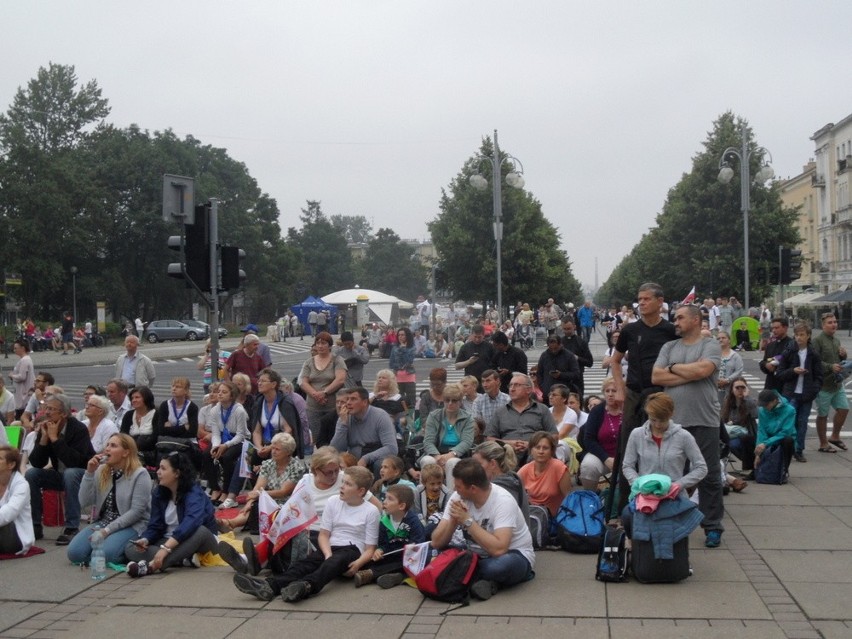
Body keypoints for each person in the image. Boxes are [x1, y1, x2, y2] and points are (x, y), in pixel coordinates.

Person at [232, 466, 379, 602]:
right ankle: (270, 586)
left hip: (352, 549)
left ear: (360, 491)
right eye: (343, 482)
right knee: (306, 564)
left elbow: (370, 548)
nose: (342, 486)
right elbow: (324, 535)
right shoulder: (333, 502)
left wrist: (358, 564)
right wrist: (327, 555)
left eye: (348, 484)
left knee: (335, 562)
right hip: (330, 545)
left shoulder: (371, 511)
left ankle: (306, 586)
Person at [652, 303, 724, 548]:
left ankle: (712, 526)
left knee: (710, 475)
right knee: (671, 475)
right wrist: (688, 373)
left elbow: (704, 370)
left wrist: (673, 369)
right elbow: (656, 376)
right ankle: (671, 521)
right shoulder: (669, 346)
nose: (676, 321)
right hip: (673, 423)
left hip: (704, 419)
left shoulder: (709, 344)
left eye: (680, 317)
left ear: (695, 320)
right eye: (675, 318)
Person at [430, 458, 535, 601]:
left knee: (499, 567)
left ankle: (460, 574)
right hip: (475, 554)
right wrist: (454, 522)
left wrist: (467, 521)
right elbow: (436, 541)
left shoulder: (502, 501)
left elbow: (499, 549)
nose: (454, 489)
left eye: (458, 486)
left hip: (512, 555)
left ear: (473, 488)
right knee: (433, 552)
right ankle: (481, 581)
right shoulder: (458, 496)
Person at [620, 392, 708, 533]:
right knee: (626, 516)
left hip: (674, 496)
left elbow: (701, 468)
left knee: (672, 523)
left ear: (671, 414)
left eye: (662, 420)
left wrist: (679, 485)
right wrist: (637, 483)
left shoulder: (684, 436)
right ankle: (633, 546)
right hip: (645, 494)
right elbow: (627, 465)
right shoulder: (637, 434)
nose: (658, 424)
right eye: (653, 420)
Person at [124, 451, 219, 577]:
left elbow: (192, 522)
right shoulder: (159, 493)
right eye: (159, 468)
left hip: (198, 539)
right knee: (130, 548)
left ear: (177, 473)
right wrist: (146, 539)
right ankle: (181, 558)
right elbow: (155, 526)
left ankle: (152, 566)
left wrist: (166, 549)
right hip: (169, 541)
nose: (158, 472)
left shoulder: (194, 492)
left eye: (163, 468)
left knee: (200, 530)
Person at [67, 434, 153, 565]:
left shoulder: (140, 474)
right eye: (107, 445)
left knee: (106, 555)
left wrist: (107, 531)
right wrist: (89, 473)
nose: (107, 449)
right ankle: (103, 548)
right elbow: (84, 502)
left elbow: (137, 511)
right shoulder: (101, 470)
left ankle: (130, 552)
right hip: (104, 522)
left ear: (126, 452)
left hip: (132, 524)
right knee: (75, 553)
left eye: (113, 446)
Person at [25, 394, 95, 545]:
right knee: (32, 474)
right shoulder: (47, 426)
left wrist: (56, 439)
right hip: (61, 476)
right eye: (46, 408)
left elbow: (75, 462)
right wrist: (44, 440)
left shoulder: (78, 429)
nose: (47, 413)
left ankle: (71, 527)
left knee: (70, 473)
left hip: (84, 477)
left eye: (51, 409)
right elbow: (37, 463)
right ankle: (35, 525)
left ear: (64, 413)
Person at [216, 432, 306, 535]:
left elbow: (283, 492)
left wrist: (260, 494)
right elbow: (258, 487)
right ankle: (230, 523)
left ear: (288, 452)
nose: (273, 452)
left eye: (277, 449)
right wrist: (250, 502)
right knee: (253, 506)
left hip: (288, 502)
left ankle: (230, 523)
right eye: (273, 448)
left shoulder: (296, 467)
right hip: (268, 498)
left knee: (263, 506)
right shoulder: (267, 464)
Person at [353, 483, 426, 588]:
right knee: (370, 561)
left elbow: (419, 544)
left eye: (390, 499)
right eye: (385, 498)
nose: (384, 502)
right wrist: (380, 550)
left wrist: (410, 548)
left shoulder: (414, 521)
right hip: (390, 556)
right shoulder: (384, 522)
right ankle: (398, 576)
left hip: (409, 558)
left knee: (403, 563)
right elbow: (383, 544)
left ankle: (372, 574)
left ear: (401, 506)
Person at [485, 373, 557, 466]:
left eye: (517, 385)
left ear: (528, 389)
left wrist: (532, 445)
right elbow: (489, 439)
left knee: (535, 456)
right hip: (507, 454)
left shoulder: (542, 410)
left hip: (535, 453)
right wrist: (508, 444)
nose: (512, 388)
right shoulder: (500, 412)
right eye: (510, 385)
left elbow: (554, 436)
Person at [777, 322, 823, 461]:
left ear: (808, 336)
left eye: (802, 335)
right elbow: (780, 373)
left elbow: (819, 376)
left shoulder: (813, 354)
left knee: (802, 422)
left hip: (806, 393)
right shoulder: (789, 352)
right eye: (796, 335)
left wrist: (814, 390)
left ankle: (799, 449)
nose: (799, 338)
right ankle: (786, 448)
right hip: (791, 393)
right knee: (788, 423)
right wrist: (793, 371)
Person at [204, 381, 251, 510]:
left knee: (228, 457)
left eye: (224, 392)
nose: (220, 394)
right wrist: (216, 446)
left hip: (238, 439)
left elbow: (241, 434)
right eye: (219, 391)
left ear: (232, 396)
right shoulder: (215, 410)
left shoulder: (239, 410)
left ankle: (226, 491)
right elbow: (215, 433)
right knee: (207, 454)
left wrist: (225, 446)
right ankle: (215, 488)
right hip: (221, 438)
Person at [330, 387, 398, 475]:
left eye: (353, 399)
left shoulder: (380, 416)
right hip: (353, 458)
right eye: (347, 399)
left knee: (379, 465)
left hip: (375, 458)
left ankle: (377, 488)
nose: (348, 403)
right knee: (331, 460)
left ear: (365, 402)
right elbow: (335, 450)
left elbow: (391, 448)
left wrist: (366, 458)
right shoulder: (344, 417)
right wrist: (343, 424)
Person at [419, 383, 475, 487]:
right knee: (427, 461)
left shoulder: (468, 418)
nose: (450, 403)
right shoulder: (434, 416)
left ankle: (451, 498)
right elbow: (428, 441)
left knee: (452, 463)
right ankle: (424, 496)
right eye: (447, 400)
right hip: (436, 453)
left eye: (454, 400)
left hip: (458, 456)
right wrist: (437, 457)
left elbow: (467, 442)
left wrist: (451, 454)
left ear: (460, 402)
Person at [300, 332, 348, 444]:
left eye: (324, 343)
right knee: (318, 439)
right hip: (313, 407)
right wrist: (315, 395)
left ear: (330, 345)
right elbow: (303, 382)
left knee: (334, 438)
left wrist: (324, 393)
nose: (320, 346)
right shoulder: (309, 362)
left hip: (332, 407)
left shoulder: (337, 360)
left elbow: (340, 379)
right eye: (318, 343)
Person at [812, 312, 849, 453]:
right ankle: (823, 443)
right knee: (823, 415)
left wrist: (843, 356)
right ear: (823, 325)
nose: (833, 324)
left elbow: (839, 361)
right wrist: (830, 366)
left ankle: (835, 436)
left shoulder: (836, 340)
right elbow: (814, 362)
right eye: (830, 322)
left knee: (844, 409)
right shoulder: (818, 341)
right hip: (823, 385)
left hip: (836, 383)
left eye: (834, 322)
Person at [251, 368, 305, 463]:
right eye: (259, 381)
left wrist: (271, 447)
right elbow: (256, 431)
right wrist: (259, 448)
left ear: (274, 384)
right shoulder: (259, 402)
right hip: (264, 444)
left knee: (274, 455)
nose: (259, 383)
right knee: (251, 458)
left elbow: (288, 430)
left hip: (282, 444)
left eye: (263, 381)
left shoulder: (285, 402)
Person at [579, 378, 623, 489]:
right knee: (588, 466)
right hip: (602, 455)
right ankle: (590, 497)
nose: (610, 394)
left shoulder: (629, 409)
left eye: (614, 391)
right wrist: (605, 458)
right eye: (607, 391)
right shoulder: (597, 411)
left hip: (626, 456)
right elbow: (588, 439)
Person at [517, 431, 571, 517]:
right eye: (537, 447)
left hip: (556, 518)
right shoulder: (524, 470)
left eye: (545, 448)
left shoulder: (559, 468)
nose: (541, 451)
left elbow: (569, 498)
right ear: (531, 450)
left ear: (552, 451)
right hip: (532, 516)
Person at [0, 446, 34, 556]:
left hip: (15, 536)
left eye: (0, 458)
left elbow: (9, 513)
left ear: (11, 465)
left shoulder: (22, 485)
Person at [721, 380, 759, 479]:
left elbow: (756, 414)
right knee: (723, 441)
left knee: (735, 443)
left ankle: (750, 464)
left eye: (743, 387)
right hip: (732, 432)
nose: (740, 390)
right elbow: (724, 417)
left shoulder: (750, 401)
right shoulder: (728, 401)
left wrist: (747, 398)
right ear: (732, 390)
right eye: (737, 388)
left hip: (747, 433)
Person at [755, 390, 797, 475]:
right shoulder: (762, 410)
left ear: (774, 401)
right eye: (762, 405)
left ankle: (784, 469)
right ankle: (755, 469)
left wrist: (766, 443)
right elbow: (761, 430)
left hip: (782, 438)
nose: (764, 407)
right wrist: (758, 451)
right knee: (750, 439)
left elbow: (786, 432)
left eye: (766, 405)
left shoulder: (789, 410)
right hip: (768, 437)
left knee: (788, 440)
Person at [119, 386, 161, 466]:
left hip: (150, 453)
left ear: (146, 398)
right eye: (132, 398)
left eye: (137, 397)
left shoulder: (157, 414)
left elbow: (156, 437)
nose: (134, 400)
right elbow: (123, 436)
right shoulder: (128, 415)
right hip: (130, 451)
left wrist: (134, 447)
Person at [156, 377, 199, 451]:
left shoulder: (192, 407)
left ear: (186, 391)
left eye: (178, 387)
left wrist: (169, 429)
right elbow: (161, 430)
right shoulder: (165, 405)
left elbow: (192, 432)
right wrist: (183, 428)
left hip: (187, 442)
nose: (174, 389)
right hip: (168, 441)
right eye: (173, 386)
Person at [536, 335, 581, 405]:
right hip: (548, 394)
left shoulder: (569, 356)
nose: (553, 350)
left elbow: (576, 374)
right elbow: (539, 373)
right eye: (551, 348)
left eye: (556, 348)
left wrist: (561, 375)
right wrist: (543, 387)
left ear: (560, 345)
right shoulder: (544, 355)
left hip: (564, 394)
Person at [558, 318, 594, 397]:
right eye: (565, 329)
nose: (567, 331)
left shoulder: (581, 342)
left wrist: (577, 358)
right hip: (562, 379)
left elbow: (590, 362)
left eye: (569, 329)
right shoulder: (559, 342)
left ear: (574, 327)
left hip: (577, 378)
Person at [455, 324, 495, 389]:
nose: (477, 339)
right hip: (470, 381)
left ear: (483, 335)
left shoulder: (489, 347)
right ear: (471, 335)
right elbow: (457, 366)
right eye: (475, 337)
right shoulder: (465, 347)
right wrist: (469, 362)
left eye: (479, 337)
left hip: (486, 380)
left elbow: (495, 364)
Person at [760, 317, 793, 392]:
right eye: (772, 328)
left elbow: (791, 364)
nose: (774, 330)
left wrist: (776, 364)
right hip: (770, 386)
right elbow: (765, 361)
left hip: (785, 387)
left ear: (785, 328)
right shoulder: (770, 345)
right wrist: (766, 365)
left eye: (777, 328)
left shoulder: (792, 345)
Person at [472, 369, 510, 434]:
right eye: (483, 381)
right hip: (484, 437)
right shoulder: (478, 401)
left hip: (504, 436)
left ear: (497, 381)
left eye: (488, 381)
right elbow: (476, 425)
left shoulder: (508, 400)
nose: (484, 385)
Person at [389, 327, 416, 409]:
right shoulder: (395, 347)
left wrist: (403, 349)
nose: (400, 337)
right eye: (399, 335)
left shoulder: (412, 347)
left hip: (409, 375)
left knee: (411, 400)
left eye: (403, 335)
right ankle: (402, 418)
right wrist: (398, 368)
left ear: (407, 336)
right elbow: (391, 363)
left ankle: (411, 419)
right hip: (397, 376)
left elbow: (409, 360)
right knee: (399, 399)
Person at [9, 339, 34, 420]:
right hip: (22, 392)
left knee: (20, 416)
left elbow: (22, 377)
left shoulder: (24, 360)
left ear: (22, 348)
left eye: (16, 348)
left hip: (23, 393)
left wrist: (12, 376)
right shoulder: (25, 359)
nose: (14, 350)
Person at [717, 332, 744, 404]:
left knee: (729, 410)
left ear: (729, 340)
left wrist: (727, 380)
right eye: (718, 338)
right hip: (715, 388)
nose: (720, 340)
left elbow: (739, 371)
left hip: (730, 389)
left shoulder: (735, 356)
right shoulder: (714, 355)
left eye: (723, 338)